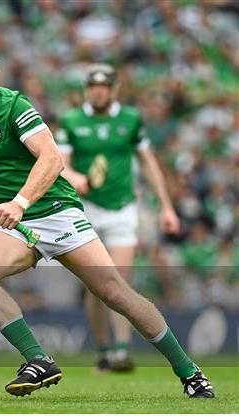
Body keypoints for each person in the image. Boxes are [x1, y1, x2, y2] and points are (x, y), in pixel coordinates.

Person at [0, 38, 214, 398]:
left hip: (54, 211)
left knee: (114, 292)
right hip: (10, 224)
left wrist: (19, 203)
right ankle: (38, 359)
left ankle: (190, 372)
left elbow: (52, 159)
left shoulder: (12, 105)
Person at [56, 63, 181, 372]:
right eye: (93, 86)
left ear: (114, 90)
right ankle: (103, 348)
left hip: (123, 207)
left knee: (120, 280)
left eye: (105, 86)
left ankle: (122, 351)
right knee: (96, 286)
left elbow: (148, 163)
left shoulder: (131, 119)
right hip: (85, 208)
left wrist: (166, 206)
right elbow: (60, 164)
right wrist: (75, 177)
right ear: (87, 89)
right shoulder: (71, 120)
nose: (99, 91)